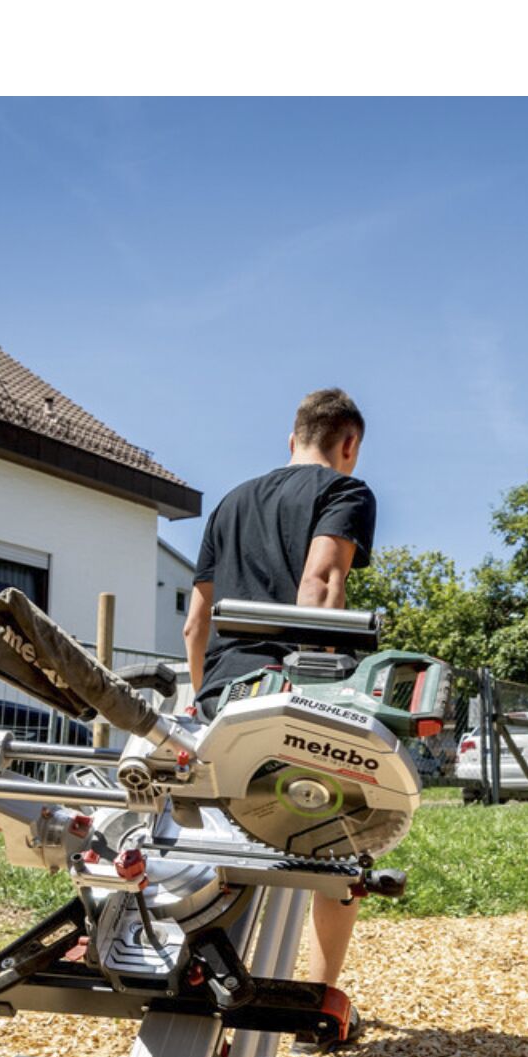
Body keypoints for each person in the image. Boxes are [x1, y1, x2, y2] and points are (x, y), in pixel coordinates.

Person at [183, 388, 377, 1020]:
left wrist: (203, 700)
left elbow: (196, 623)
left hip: (221, 697)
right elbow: (320, 585)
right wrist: (321, 696)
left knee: (223, 842)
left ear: (292, 439)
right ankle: (318, 1001)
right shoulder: (345, 491)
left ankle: (204, 981)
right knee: (338, 841)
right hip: (289, 687)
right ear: (348, 443)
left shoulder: (232, 502)